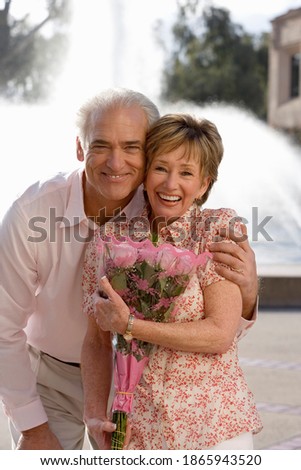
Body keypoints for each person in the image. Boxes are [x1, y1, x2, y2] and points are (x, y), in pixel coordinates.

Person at [0, 88, 258, 451]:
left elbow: (220, 328)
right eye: (101, 145)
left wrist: (247, 296)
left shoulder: (180, 213)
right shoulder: (36, 214)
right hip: (52, 374)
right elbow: (5, 326)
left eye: (132, 147)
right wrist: (31, 427)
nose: (117, 163)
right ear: (80, 148)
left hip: (145, 393)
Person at [82, 113, 262, 450]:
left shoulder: (216, 229)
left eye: (186, 173)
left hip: (212, 428)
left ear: (204, 184)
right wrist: (94, 414)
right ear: (146, 172)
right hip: (136, 430)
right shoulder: (109, 239)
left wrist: (131, 325)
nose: (169, 184)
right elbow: (96, 340)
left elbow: (220, 334)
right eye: (161, 168)